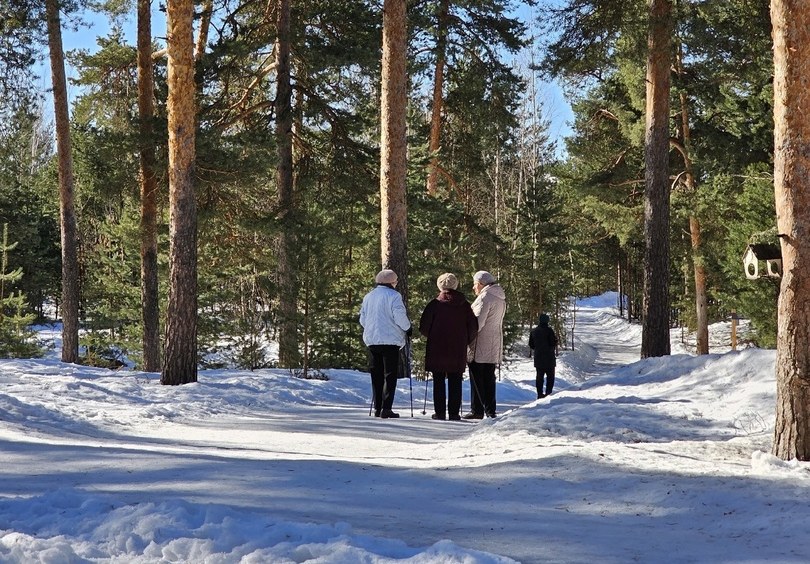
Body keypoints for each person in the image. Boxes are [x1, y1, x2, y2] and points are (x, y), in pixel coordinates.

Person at [419, 273, 478, 421]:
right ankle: (453, 413)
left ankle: (439, 412)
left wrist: (433, 337)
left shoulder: (434, 305)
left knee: (438, 380)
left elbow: (424, 327)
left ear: (440, 286)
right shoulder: (465, 306)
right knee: (455, 379)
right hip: (457, 348)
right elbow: (473, 328)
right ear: (455, 285)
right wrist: (465, 340)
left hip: (437, 347)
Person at [359, 269, 412, 418]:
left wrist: (371, 328)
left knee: (376, 374)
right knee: (390, 375)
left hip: (372, 340)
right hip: (390, 340)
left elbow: (363, 318)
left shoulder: (368, 296)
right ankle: (386, 408)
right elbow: (399, 316)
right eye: (395, 281)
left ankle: (377, 407)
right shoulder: (394, 296)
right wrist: (408, 328)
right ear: (391, 282)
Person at [464, 270, 506, 419]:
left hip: (481, 343)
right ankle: (490, 409)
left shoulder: (484, 298)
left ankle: (477, 410)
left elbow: (477, 323)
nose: (473, 288)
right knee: (489, 377)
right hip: (494, 342)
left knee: (477, 377)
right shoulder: (499, 297)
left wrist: (466, 336)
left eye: (475, 284)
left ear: (481, 284)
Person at [529, 313, 558, 398]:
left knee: (539, 377)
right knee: (550, 377)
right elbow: (552, 343)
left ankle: (539, 394)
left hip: (538, 358)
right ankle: (548, 393)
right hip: (549, 358)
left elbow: (531, 344)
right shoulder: (549, 331)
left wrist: (538, 349)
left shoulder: (534, 331)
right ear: (547, 321)